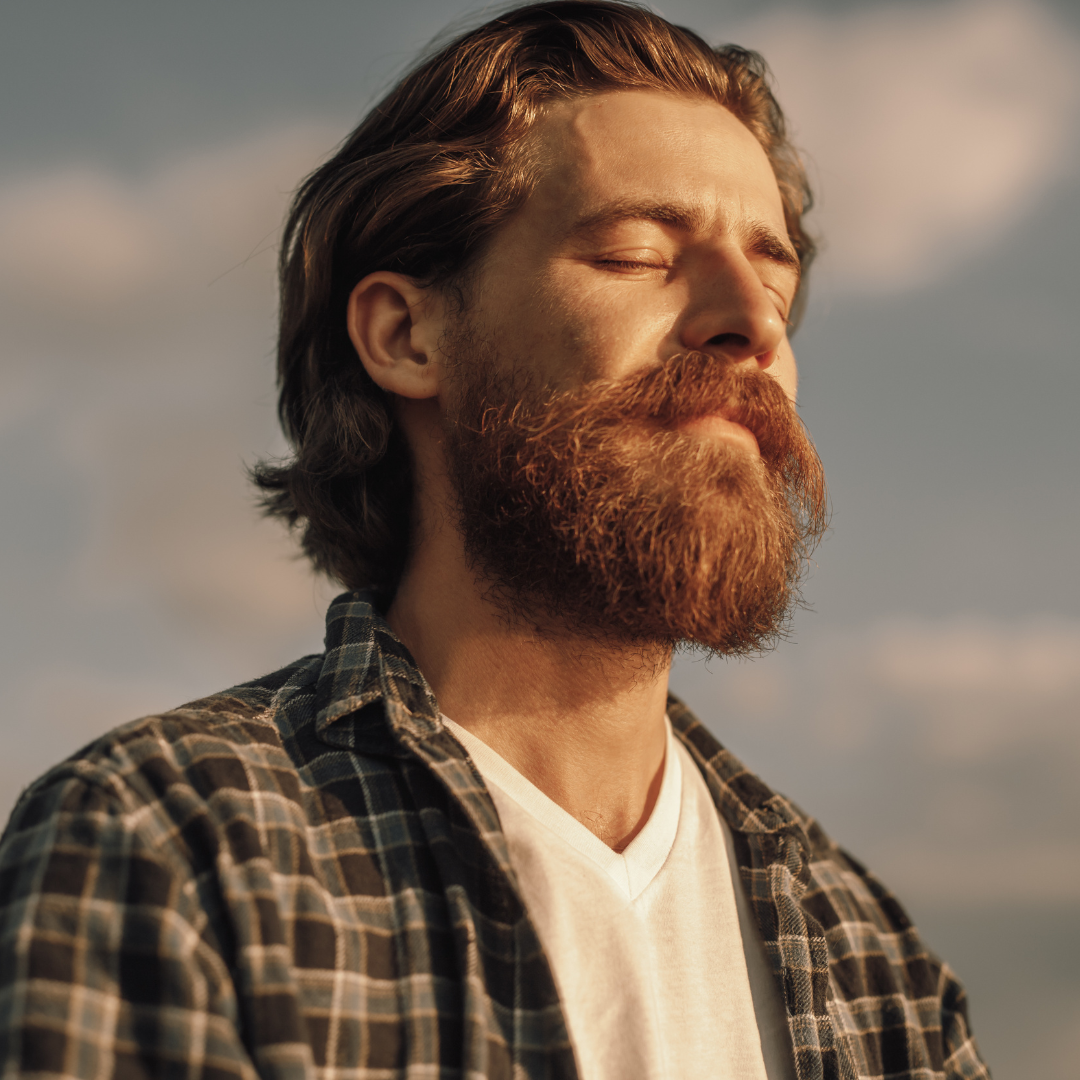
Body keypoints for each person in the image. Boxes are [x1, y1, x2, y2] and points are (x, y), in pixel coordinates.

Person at [0, 3, 991, 1078]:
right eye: (636, 253)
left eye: (776, 272)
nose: (752, 320)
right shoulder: (172, 849)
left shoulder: (874, 961)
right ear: (407, 334)